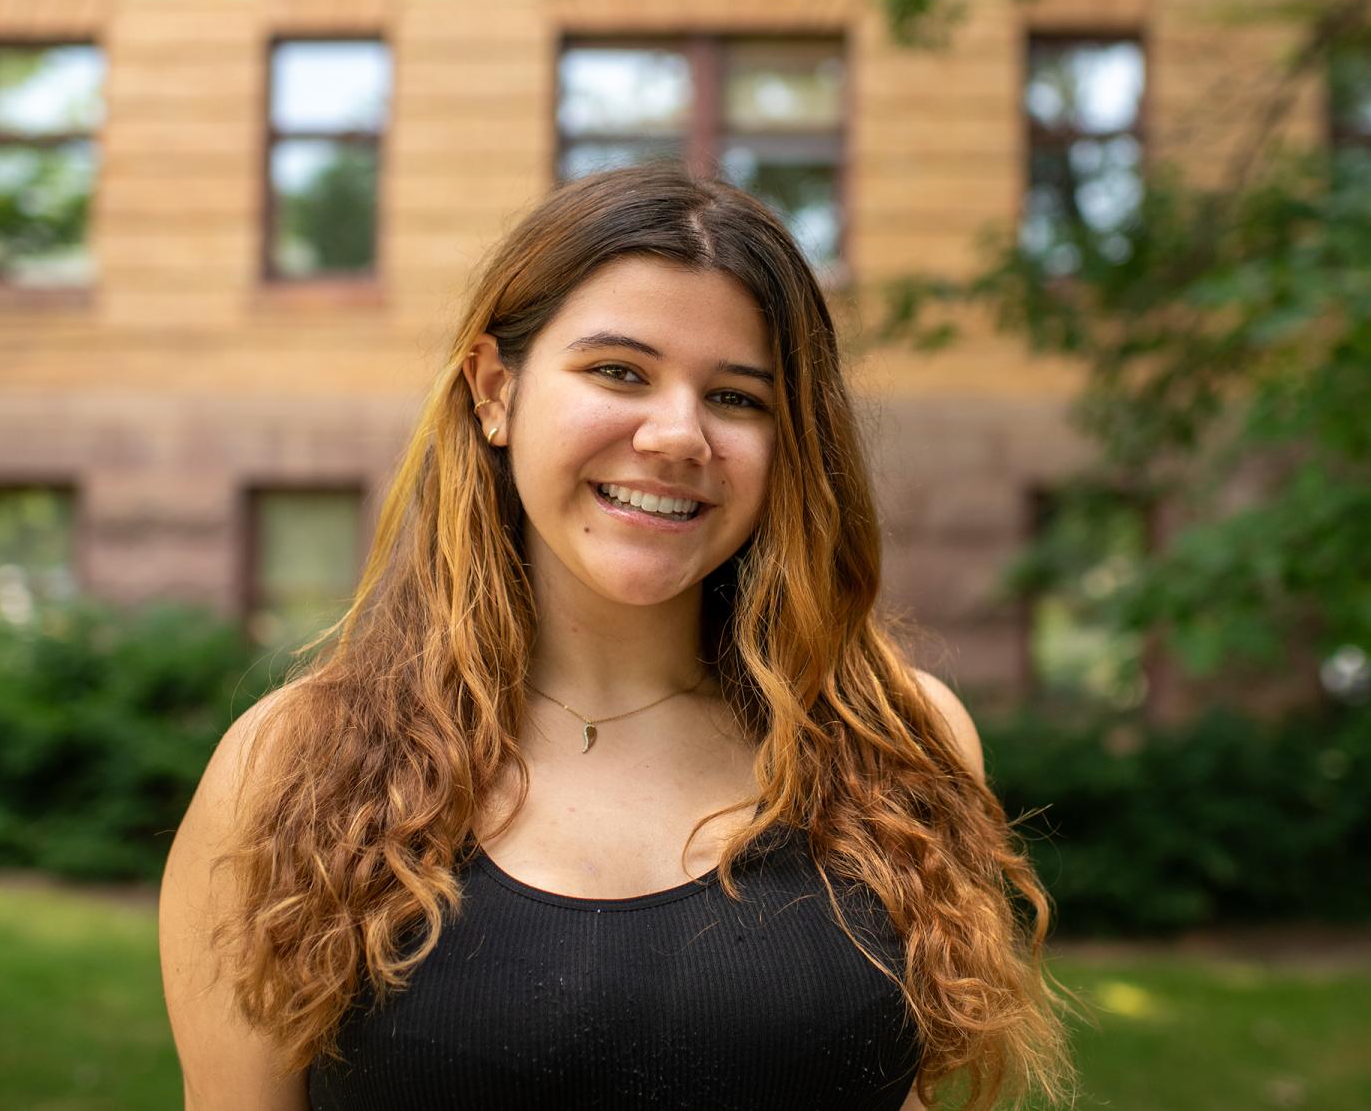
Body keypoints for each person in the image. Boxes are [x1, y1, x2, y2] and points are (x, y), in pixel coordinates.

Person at [159, 164, 1072, 1111]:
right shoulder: (294, 767)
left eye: (738, 398)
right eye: (619, 372)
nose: (679, 435)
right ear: (494, 391)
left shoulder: (898, 744)